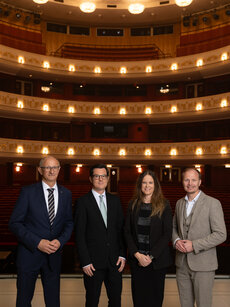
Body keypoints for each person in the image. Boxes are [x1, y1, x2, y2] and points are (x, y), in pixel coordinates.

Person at [9, 156, 73, 307]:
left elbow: (69, 222)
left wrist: (60, 241)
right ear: (40, 170)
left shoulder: (66, 194)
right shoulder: (28, 192)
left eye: (55, 167)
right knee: (24, 300)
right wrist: (37, 242)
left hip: (53, 256)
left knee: (53, 302)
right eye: (47, 167)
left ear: (59, 170)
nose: (51, 171)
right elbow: (15, 223)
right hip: (29, 255)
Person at [172, 167, 227, 307]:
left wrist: (194, 245)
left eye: (194, 180)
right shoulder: (179, 203)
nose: (190, 183)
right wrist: (176, 240)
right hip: (182, 264)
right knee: (185, 304)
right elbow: (173, 228)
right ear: (182, 182)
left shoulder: (213, 203)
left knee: (204, 304)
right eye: (186, 180)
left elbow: (221, 234)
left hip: (204, 265)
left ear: (200, 182)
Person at [74, 163, 126, 307]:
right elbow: (79, 234)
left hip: (115, 262)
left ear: (108, 178)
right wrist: (84, 261)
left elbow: (121, 230)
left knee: (116, 301)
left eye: (103, 176)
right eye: (97, 176)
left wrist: (122, 254)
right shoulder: (82, 202)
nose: (100, 179)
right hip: (92, 264)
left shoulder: (115, 201)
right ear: (91, 179)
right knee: (92, 301)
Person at [124, 170, 172, 307]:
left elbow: (167, 233)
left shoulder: (164, 205)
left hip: (157, 262)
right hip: (138, 261)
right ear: (140, 185)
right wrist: (137, 254)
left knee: (155, 300)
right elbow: (127, 232)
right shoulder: (132, 205)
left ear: (155, 185)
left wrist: (150, 256)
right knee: (139, 300)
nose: (147, 185)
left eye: (150, 182)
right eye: (144, 182)